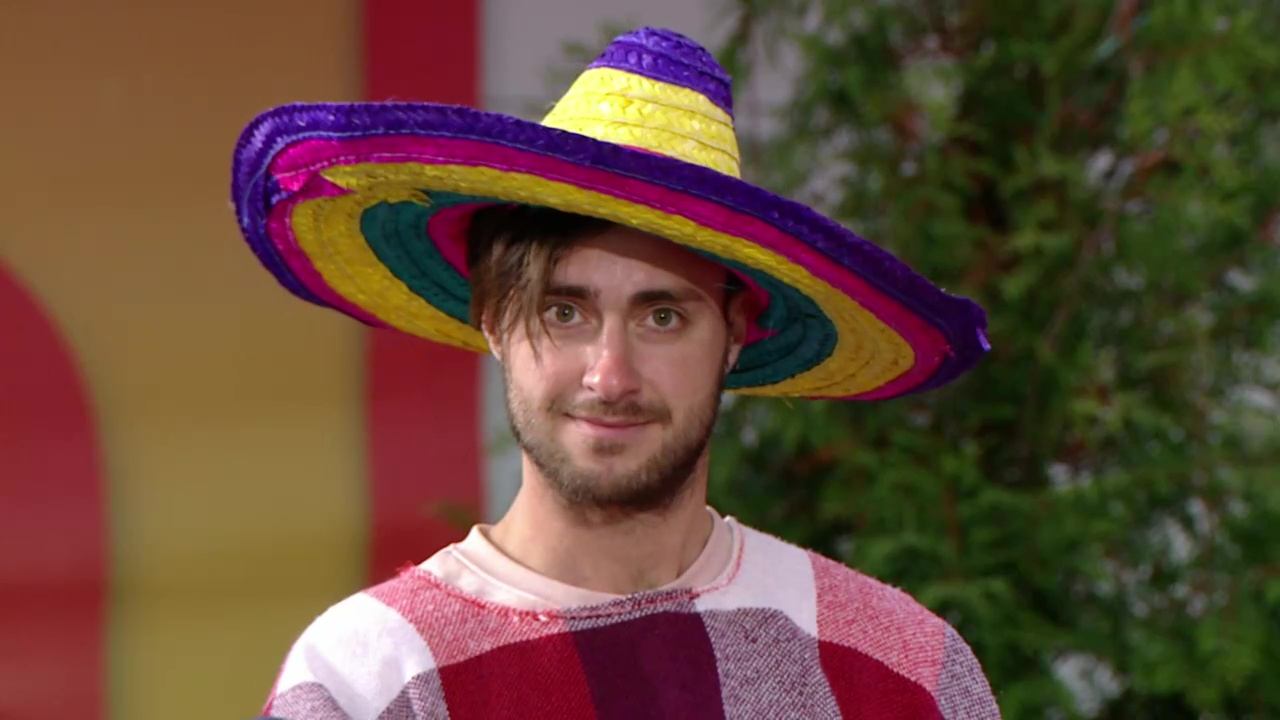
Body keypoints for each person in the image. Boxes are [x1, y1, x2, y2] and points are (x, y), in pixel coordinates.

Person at [233, 25, 998, 720]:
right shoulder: (367, 683)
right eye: (564, 312)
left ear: (736, 333)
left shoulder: (898, 671)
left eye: (662, 317)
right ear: (492, 318)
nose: (610, 376)